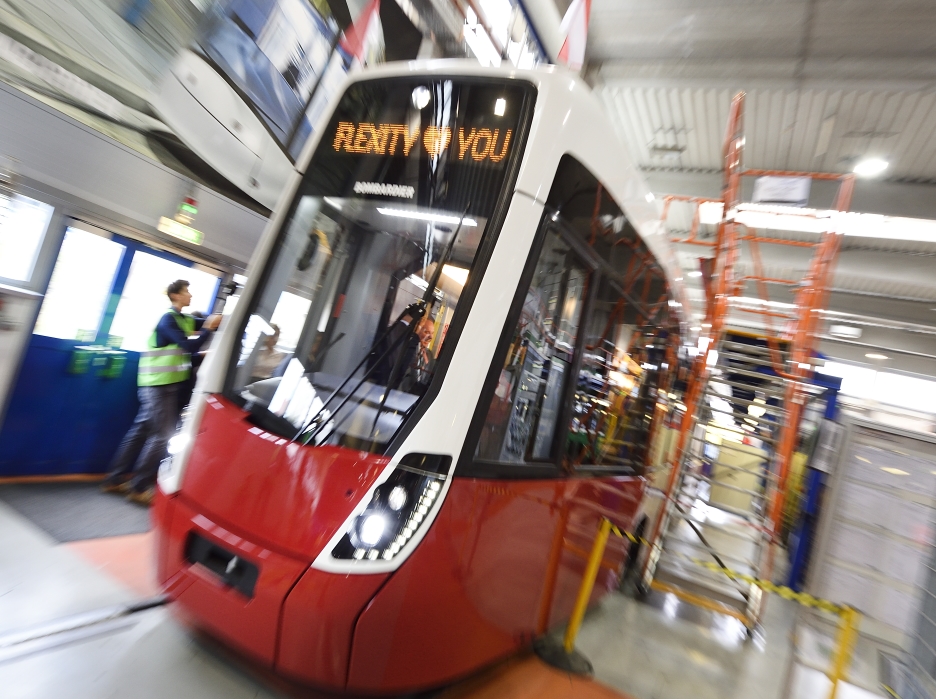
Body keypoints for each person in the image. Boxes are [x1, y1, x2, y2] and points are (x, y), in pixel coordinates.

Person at [102, 280, 221, 504]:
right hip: (158, 386)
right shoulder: (168, 319)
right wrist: (207, 329)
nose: (190, 295)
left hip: (162, 385)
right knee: (162, 435)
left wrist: (217, 321)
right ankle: (138, 487)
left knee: (140, 431)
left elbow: (203, 324)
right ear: (175, 296)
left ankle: (114, 479)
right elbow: (189, 347)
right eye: (186, 291)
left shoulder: (182, 319)